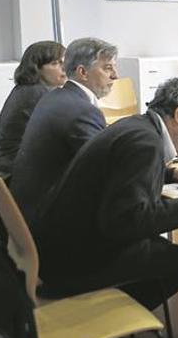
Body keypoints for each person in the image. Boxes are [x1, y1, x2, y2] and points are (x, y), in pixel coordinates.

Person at [32, 76, 178, 310]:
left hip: (54, 248)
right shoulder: (145, 144)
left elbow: (120, 173)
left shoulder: (137, 127)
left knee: (158, 248)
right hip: (74, 262)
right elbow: (127, 221)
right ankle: (106, 314)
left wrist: (169, 174)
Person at [9, 38, 119, 228]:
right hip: (51, 227)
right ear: (82, 72)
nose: (115, 76)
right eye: (107, 68)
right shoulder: (80, 110)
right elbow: (110, 167)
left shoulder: (56, 97)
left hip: (28, 218)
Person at [0, 41, 67, 175]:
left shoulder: (26, 89)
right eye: (55, 63)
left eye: (64, 62)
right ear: (36, 68)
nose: (64, 68)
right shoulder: (37, 93)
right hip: (14, 172)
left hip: (6, 167)